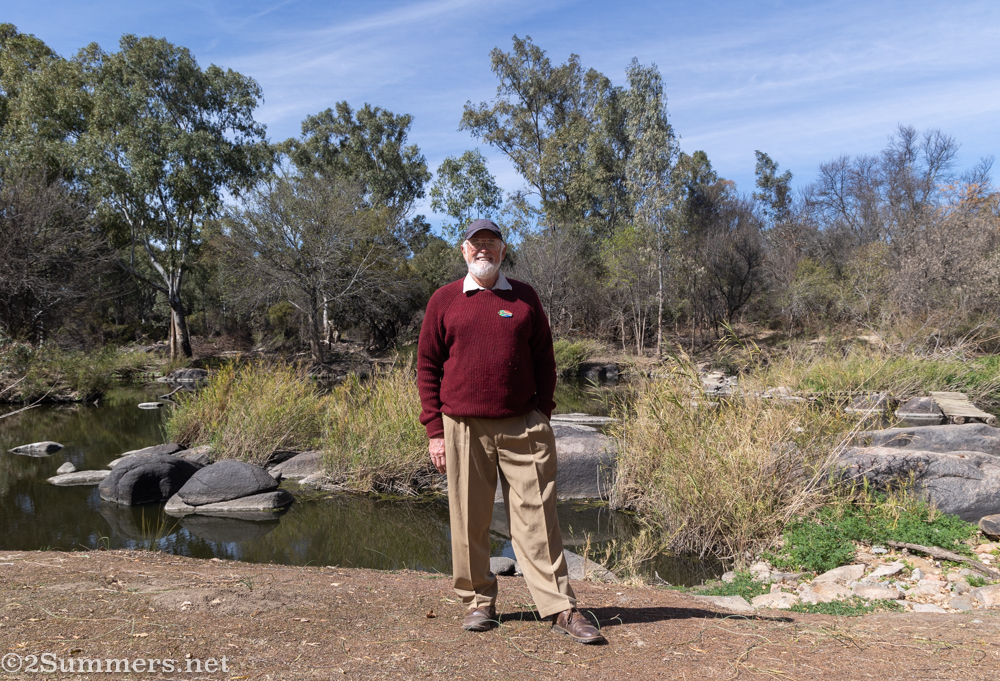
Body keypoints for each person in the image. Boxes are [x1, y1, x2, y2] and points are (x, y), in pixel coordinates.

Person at [416, 218, 605, 644]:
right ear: (464, 251)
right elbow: (427, 367)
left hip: (523, 427)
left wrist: (542, 414)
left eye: (491, 244)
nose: (483, 250)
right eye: (475, 244)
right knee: (469, 520)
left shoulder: (524, 298)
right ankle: (479, 601)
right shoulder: (444, 300)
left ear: (503, 251)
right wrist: (435, 430)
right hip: (463, 426)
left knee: (538, 518)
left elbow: (545, 361)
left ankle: (560, 607)